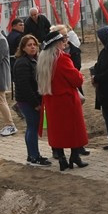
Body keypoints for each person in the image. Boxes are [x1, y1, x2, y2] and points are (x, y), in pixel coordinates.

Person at [37, 30, 88, 170]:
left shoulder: (43, 60)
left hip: (51, 100)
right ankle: (75, 156)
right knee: (74, 129)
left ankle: (61, 158)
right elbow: (76, 80)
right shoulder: (62, 59)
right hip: (67, 100)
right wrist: (80, 75)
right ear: (57, 44)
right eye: (62, 41)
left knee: (57, 130)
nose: (64, 43)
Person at [12, 34, 49, 165]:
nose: (33, 47)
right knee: (32, 127)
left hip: (31, 99)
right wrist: (35, 103)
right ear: (23, 48)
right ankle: (34, 156)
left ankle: (32, 155)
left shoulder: (32, 60)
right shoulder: (23, 62)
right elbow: (25, 86)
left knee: (32, 127)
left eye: (34, 44)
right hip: (27, 101)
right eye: (29, 45)